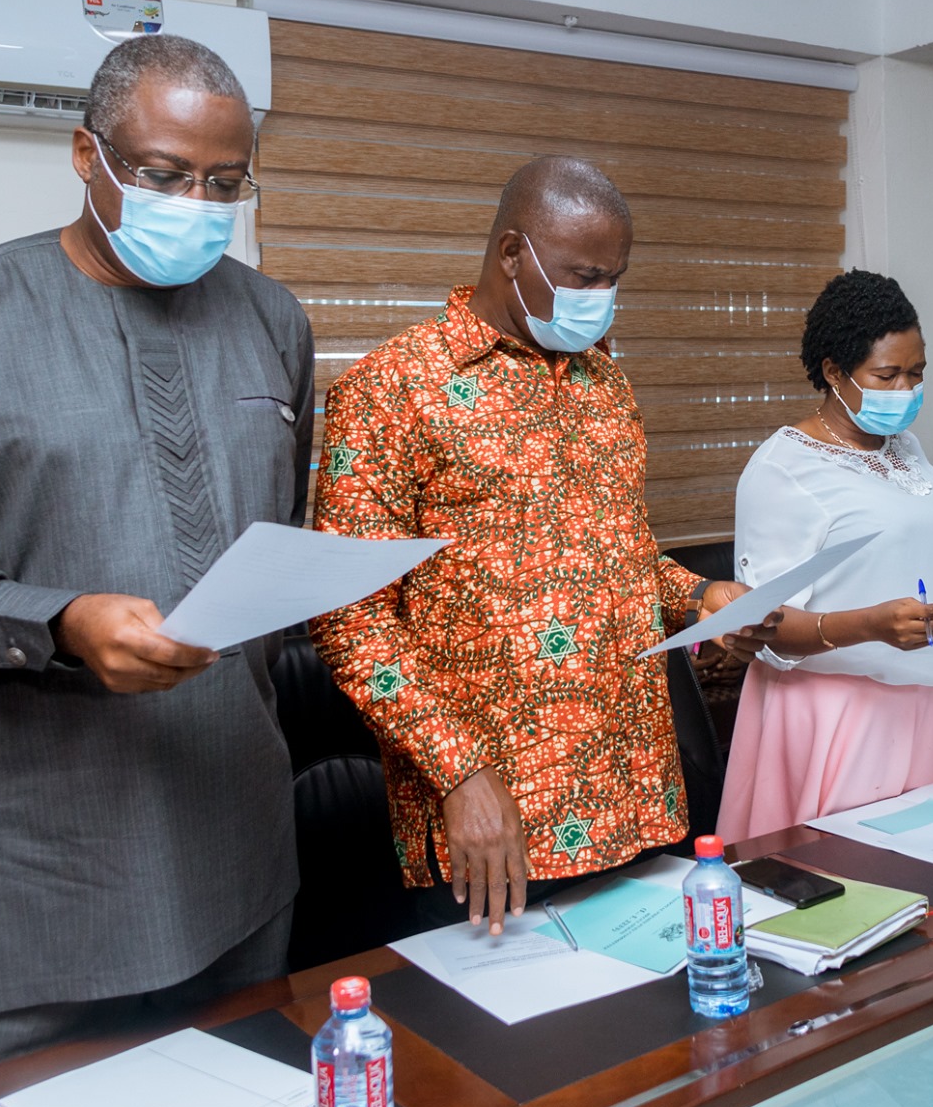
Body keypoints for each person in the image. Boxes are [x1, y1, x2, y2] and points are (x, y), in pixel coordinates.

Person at [0, 35, 307, 1073]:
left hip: (237, 837)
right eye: (163, 174)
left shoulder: (272, 318)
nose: (196, 201)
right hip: (39, 870)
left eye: (224, 182)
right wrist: (56, 621)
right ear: (87, 155)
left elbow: (280, 536)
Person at [312, 156, 748, 934]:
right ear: (513, 254)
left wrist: (698, 597)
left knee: (662, 1043)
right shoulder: (392, 388)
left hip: (638, 799)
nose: (600, 299)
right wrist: (461, 770)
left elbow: (617, 552)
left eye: (614, 278)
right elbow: (348, 615)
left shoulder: (605, 385)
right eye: (583, 275)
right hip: (500, 827)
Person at [712, 271, 933, 842]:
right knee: (854, 887)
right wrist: (870, 626)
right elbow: (761, 624)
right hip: (836, 717)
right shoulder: (782, 469)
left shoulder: (907, 451)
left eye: (916, 374)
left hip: (925, 706)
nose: (906, 390)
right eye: (887, 375)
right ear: (833, 372)